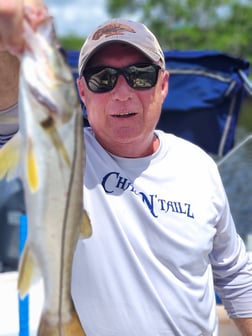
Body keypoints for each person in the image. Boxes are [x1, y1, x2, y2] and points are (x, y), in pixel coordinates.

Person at [0, 2, 252, 335]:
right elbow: (7, 113)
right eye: (102, 78)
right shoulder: (64, 149)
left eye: (140, 76)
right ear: (81, 93)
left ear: (163, 85)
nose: (123, 93)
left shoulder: (199, 166)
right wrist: (8, 40)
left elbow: (233, 271)